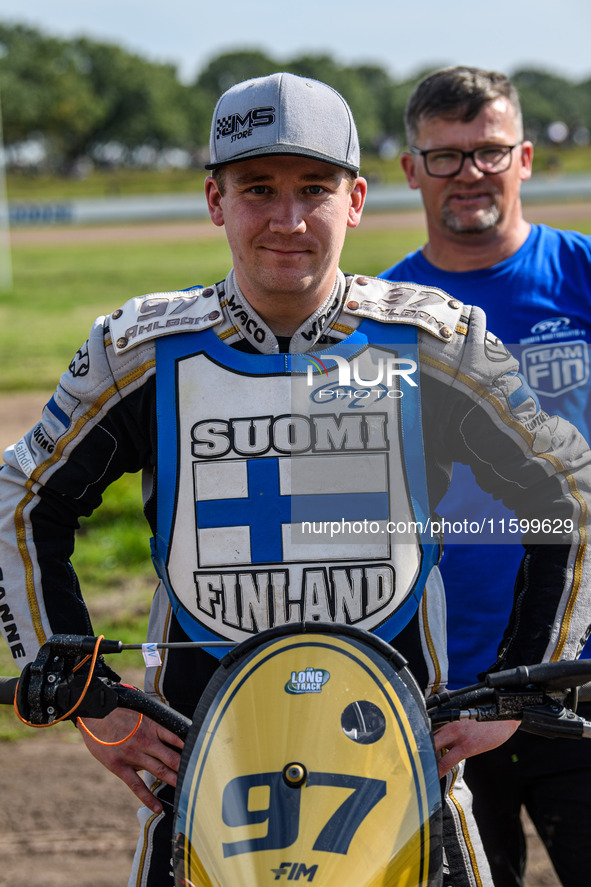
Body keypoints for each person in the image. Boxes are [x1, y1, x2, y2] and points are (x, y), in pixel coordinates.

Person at [0, 72, 589, 887]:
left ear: (354, 201)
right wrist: (85, 692)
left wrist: (518, 691)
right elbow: (22, 500)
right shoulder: (137, 348)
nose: (286, 219)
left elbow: (568, 492)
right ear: (215, 199)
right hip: (202, 775)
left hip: (406, 780)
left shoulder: (430, 342)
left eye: (313, 188)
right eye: (256, 189)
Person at [380, 65, 591, 887]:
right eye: (445, 155)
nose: (468, 171)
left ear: (525, 158)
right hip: (443, 676)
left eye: (489, 150)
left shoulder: (578, 273)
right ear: (409, 169)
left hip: (580, 658)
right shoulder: (383, 312)